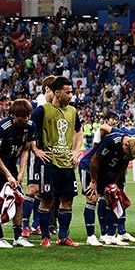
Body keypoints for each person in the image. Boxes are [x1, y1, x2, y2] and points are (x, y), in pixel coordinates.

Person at [31, 76, 84, 247]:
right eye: (67, 92)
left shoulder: (72, 111)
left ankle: (63, 237)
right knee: (47, 199)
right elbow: (29, 131)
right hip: (49, 163)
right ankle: (45, 237)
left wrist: (76, 152)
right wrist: (36, 149)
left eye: (71, 92)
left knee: (68, 199)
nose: (71, 95)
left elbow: (79, 131)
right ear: (56, 92)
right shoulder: (42, 111)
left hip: (67, 163)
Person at [0, 99, 35, 249]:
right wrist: (8, 175)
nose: (26, 119)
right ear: (13, 115)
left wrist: (21, 172)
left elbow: (26, 150)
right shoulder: (2, 128)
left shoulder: (30, 127)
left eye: (28, 116)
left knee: (18, 199)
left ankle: (18, 237)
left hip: (12, 164)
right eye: (22, 116)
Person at [81, 131, 135, 245]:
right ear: (125, 145)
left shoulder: (131, 149)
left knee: (110, 198)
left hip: (105, 171)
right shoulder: (111, 141)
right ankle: (90, 237)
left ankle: (107, 236)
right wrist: (93, 181)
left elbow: (123, 166)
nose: (128, 157)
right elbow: (94, 160)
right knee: (92, 198)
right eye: (128, 154)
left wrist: (113, 183)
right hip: (89, 167)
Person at [21, 76, 56, 237]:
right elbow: (29, 130)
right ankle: (24, 224)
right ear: (47, 89)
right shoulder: (36, 106)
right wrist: (35, 149)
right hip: (37, 153)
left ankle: (36, 224)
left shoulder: (54, 108)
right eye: (54, 91)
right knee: (33, 188)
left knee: (44, 191)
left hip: (49, 155)